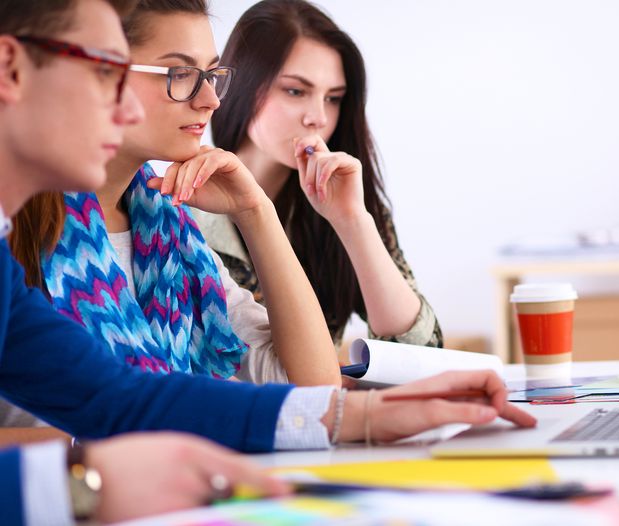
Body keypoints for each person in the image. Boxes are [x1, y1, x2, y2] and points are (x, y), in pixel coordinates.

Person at [0, 1, 536, 522]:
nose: (129, 106)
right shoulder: (34, 239)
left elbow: (125, 402)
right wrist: (86, 476)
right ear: (11, 69)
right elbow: (119, 418)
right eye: (103, 72)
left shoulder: (166, 228)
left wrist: (364, 414)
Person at [8, 0, 340, 398]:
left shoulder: (169, 234)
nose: (210, 100)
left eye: (211, 75)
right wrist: (109, 444)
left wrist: (255, 213)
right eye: (179, 73)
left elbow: (314, 391)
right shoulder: (16, 220)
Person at [206, 0, 442, 350]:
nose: (318, 116)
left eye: (333, 98)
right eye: (296, 91)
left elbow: (419, 351)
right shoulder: (182, 208)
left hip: (326, 404)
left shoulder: (342, 199)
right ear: (243, 85)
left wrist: (352, 222)